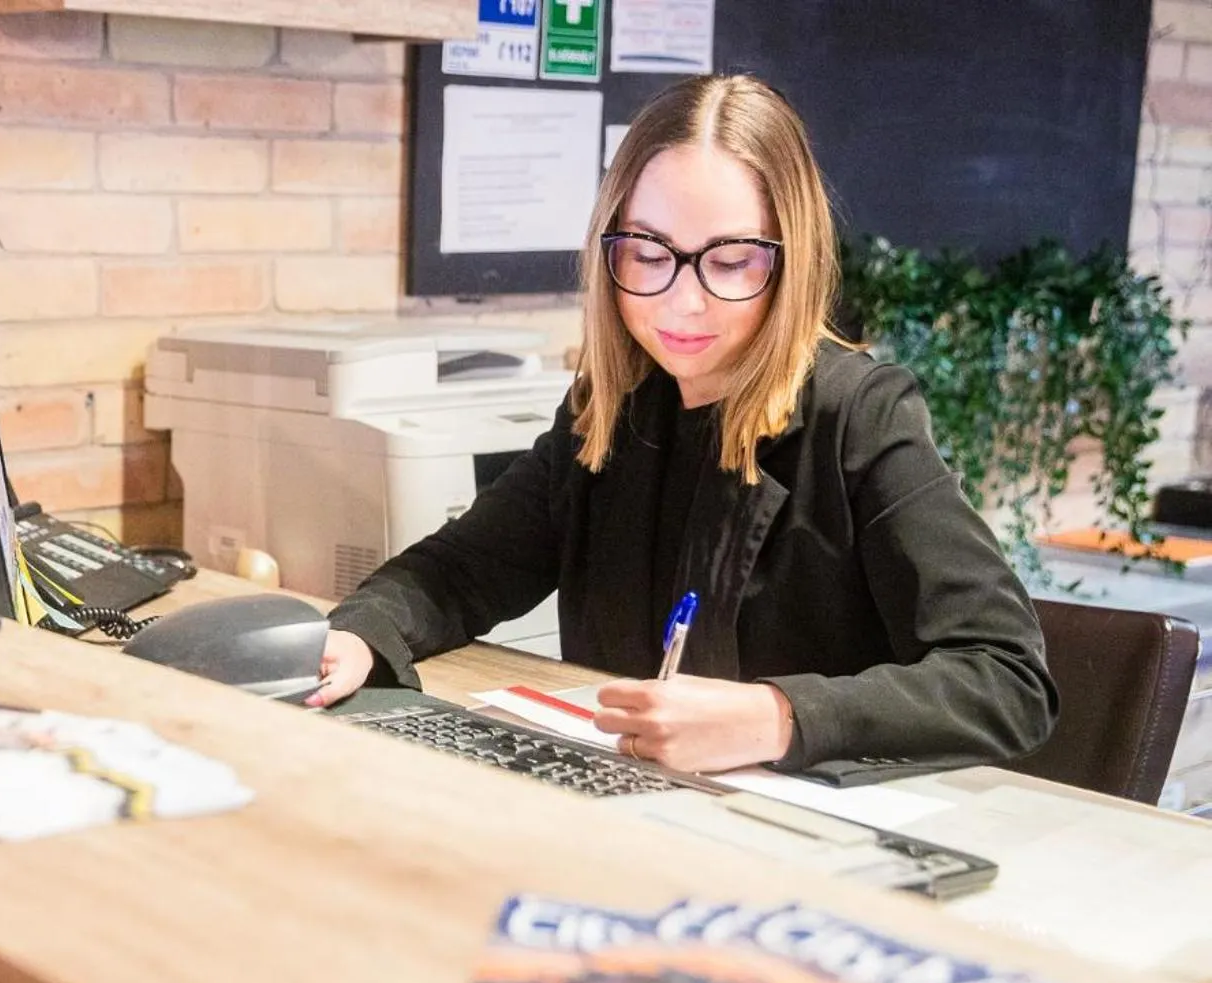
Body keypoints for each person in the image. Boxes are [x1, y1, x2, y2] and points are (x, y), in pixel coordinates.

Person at [309, 74, 1057, 785]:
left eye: (730, 262)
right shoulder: (614, 407)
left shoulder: (860, 418)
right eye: (649, 254)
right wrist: (360, 633)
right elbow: (458, 573)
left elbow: (1006, 679)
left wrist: (780, 717)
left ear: (789, 262)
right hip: (638, 806)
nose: (682, 302)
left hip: (806, 842)